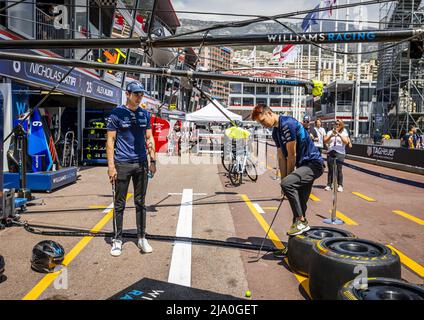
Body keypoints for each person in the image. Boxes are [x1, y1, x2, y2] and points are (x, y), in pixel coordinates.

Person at [251, 106, 324, 236]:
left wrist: (286, 182)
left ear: (269, 113)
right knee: (300, 206)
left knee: (287, 184)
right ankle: (294, 245)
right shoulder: (275, 132)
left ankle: (301, 221)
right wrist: (283, 181)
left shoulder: (287, 124)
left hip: (313, 164)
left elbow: (292, 155)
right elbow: (281, 157)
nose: (263, 125)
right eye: (260, 123)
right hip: (302, 167)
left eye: (262, 121)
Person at [106, 81, 156, 257]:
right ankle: (117, 240)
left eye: (141, 93)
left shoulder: (144, 114)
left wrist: (153, 160)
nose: (139, 96)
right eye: (136, 94)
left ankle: (141, 238)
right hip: (122, 164)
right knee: (119, 204)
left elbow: (149, 138)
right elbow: (110, 141)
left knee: (141, 203)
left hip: (141, 163)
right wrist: (111, 167)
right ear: (127, 94)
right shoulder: (116, 114)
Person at [324, 120, 349, 192]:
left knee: (339, 169)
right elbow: (325, 140)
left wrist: (339, 134)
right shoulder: (329, 132)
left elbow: (346, 142)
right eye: (335, 124)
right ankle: (329, 184)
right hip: (331, 151)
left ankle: (340, 185)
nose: (336, 125)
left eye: (338, 124)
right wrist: (331, 135)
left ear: (341, 125)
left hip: (340, 152)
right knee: (330, 169)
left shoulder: (344, 133)